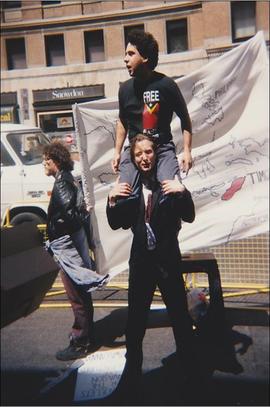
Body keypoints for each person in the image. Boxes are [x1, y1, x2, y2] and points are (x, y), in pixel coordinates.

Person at [107, 134, 196, 393]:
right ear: (132, 159)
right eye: (138, 154)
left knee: (180, 317)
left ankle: (190, 370)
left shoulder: (166, 183)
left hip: (168, 261)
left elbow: (189, 216)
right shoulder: (130, 189)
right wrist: (112, 199)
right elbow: (117, 222)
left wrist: (183, 192)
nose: (144, 158)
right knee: (135, 322)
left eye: (148, 152)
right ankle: (131, 372)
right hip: (142, 263)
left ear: (155, 154)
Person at [43, 141, 109, 361]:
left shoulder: (62, 184)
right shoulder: (67, 180)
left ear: (57, 162)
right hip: (73, 242)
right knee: (80, 291)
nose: (45, 164)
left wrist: (55, 229)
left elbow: (70, 216)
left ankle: (81, 341)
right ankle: (88, 334)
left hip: (67, 246)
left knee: (75, 294)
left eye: (47, 160)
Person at [111, 30, 192, 201]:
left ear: (145, 57)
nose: (125, 59)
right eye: (125, 54)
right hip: (134, 151)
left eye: (131, 54)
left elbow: (185, 119)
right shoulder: (124, 89)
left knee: (170, 192)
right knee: (124, 196)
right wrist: (117, 152)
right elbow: (122, 122)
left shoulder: (167, 85)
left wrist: (187, 151)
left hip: (161, 148)